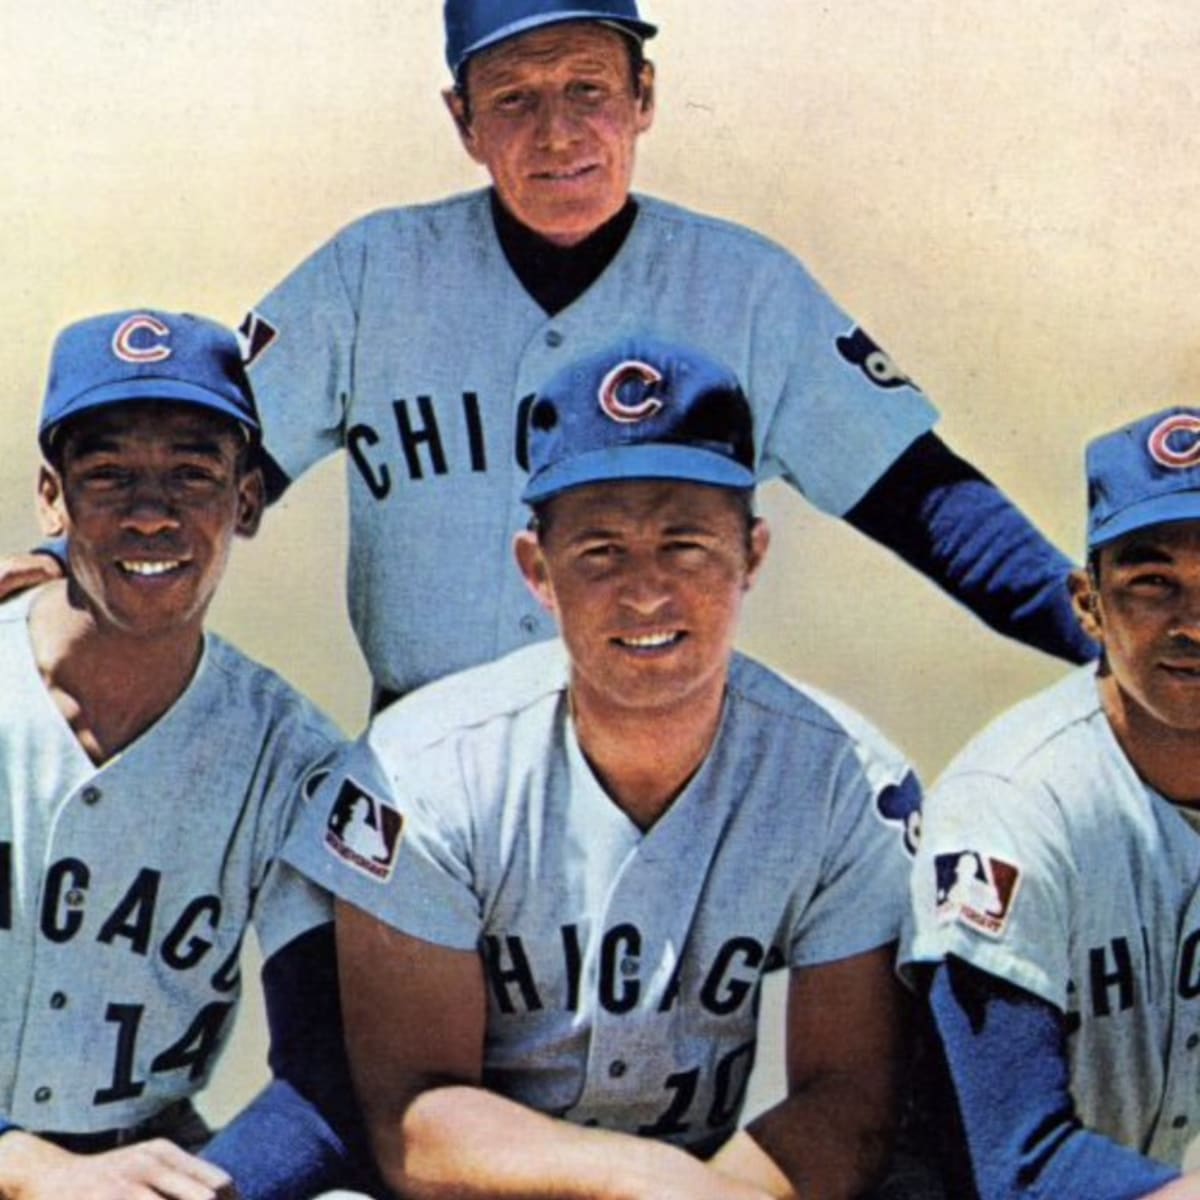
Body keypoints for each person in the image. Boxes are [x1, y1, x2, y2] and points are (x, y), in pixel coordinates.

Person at [0, 0, 1095, 704]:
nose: (558, 134)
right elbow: (205, 468)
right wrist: (63, 563)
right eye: (514, 101)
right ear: (463, 119)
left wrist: (1104, 642)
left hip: (656, 763)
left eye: (587, 90)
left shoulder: (744, 285)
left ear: (645, 97)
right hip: (423, 764)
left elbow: (923, 499)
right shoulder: (373, 273)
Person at [283, 336, 922, 1199]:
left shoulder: (847, 777)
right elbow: (413, 1121)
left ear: (753, 556)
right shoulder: (420, 767)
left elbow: (847, 1100)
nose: (647, 593)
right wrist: (652, 1184)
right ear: (536, 570)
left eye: (687, 545)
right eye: (600, 552)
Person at [0, 310, 365, 1200]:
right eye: (110, 473)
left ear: (245, 502)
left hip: (141, 1157)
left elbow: (326, 1082)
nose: (152, 515)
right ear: (54, 498)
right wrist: (29, 1169)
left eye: (194, 474)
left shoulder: (294, 760)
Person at [901, 407, 1200, 1198]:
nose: (1194, 623)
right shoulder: (1013, 803)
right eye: (1151, 584)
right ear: (1088, 605)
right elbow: (1016, 1164)